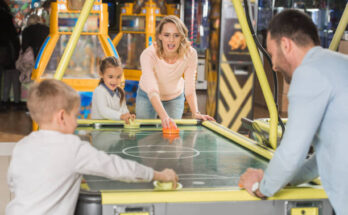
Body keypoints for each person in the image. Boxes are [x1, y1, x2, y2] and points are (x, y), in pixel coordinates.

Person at [6, 79, 178, 214]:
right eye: (75, 115)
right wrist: (159, 175)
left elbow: (15, 183)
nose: (77, 121)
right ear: (61, 117)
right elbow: (118, 168)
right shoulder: (73, 147)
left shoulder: (22, 146)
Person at [238, 9, 348, 215]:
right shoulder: (338, 63)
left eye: (272, 54)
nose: (275, 66)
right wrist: (281, 179)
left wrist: (261, 188)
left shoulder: (308, 73)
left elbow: (291, 152)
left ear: (286, 45)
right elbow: (320, 160)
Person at [135, 15, 214, 128]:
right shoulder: (148, 54)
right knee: (144, 134)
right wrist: (164, 117)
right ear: (160, 36)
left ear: (182, 37)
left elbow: (190, 89)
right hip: (147, 95)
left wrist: (196, 112)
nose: (171, 40)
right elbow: (152, 90)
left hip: (174, 97)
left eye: (176, 35)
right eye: (167, 35)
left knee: (172, 135)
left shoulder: (190, 54)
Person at [91, 56, 135, 123]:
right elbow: (104, 111)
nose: (115, 81)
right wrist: (121, 116)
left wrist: (128, 116)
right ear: (101, 74)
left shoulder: (120, 93)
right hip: (101, 132)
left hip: (115, 131)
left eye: (118, 77)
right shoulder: (99, 91)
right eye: (110, 77)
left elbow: (124, 110)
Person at [0, 0, 20, 111]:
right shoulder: (6, 18)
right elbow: (12, 39)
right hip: (4, 52)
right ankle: (4, 103)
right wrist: (15, 56)